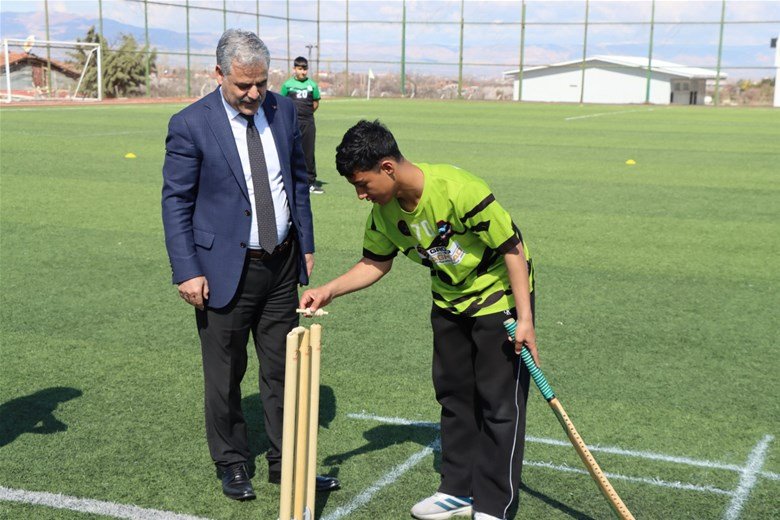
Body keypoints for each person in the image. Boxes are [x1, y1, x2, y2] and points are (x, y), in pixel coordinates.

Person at [299, 120, 538, 520]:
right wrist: (328, 290)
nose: (361, 195)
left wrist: (525, 317)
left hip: (500, 301)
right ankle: (457, 490)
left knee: (499, 405)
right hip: (448, 301)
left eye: (363, 184)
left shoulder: (460, 190)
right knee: (454, 395)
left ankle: (495, 505)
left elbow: (513, 250)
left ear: (387, 168)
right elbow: (375, 262)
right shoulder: (384, 211)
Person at [162, 28, 339, 502]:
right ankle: (233, 463)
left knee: (284, 369)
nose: (255, 93)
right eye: (243, 85)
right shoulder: (190, 124)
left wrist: (304, 241)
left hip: (281, 264)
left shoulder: (282, 110)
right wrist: (186, 269)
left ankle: (287, 465)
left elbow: (298, 181)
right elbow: (176, 202)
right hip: (221, 269)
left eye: (261, 82)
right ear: (218, 74)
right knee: (225, 374)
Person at [280, 56, 323, 194]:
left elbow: (315, 103)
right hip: (292, 123)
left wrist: (307, 114)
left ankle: (310, 182)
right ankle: (289, 180)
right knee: (290, 151)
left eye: (305, 69)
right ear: (294, 69)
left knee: (308, 153)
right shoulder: (287, 85)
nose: (303, 72)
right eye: (300, 69)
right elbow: (282, 103)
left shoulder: (312, 85)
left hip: (308, 122)